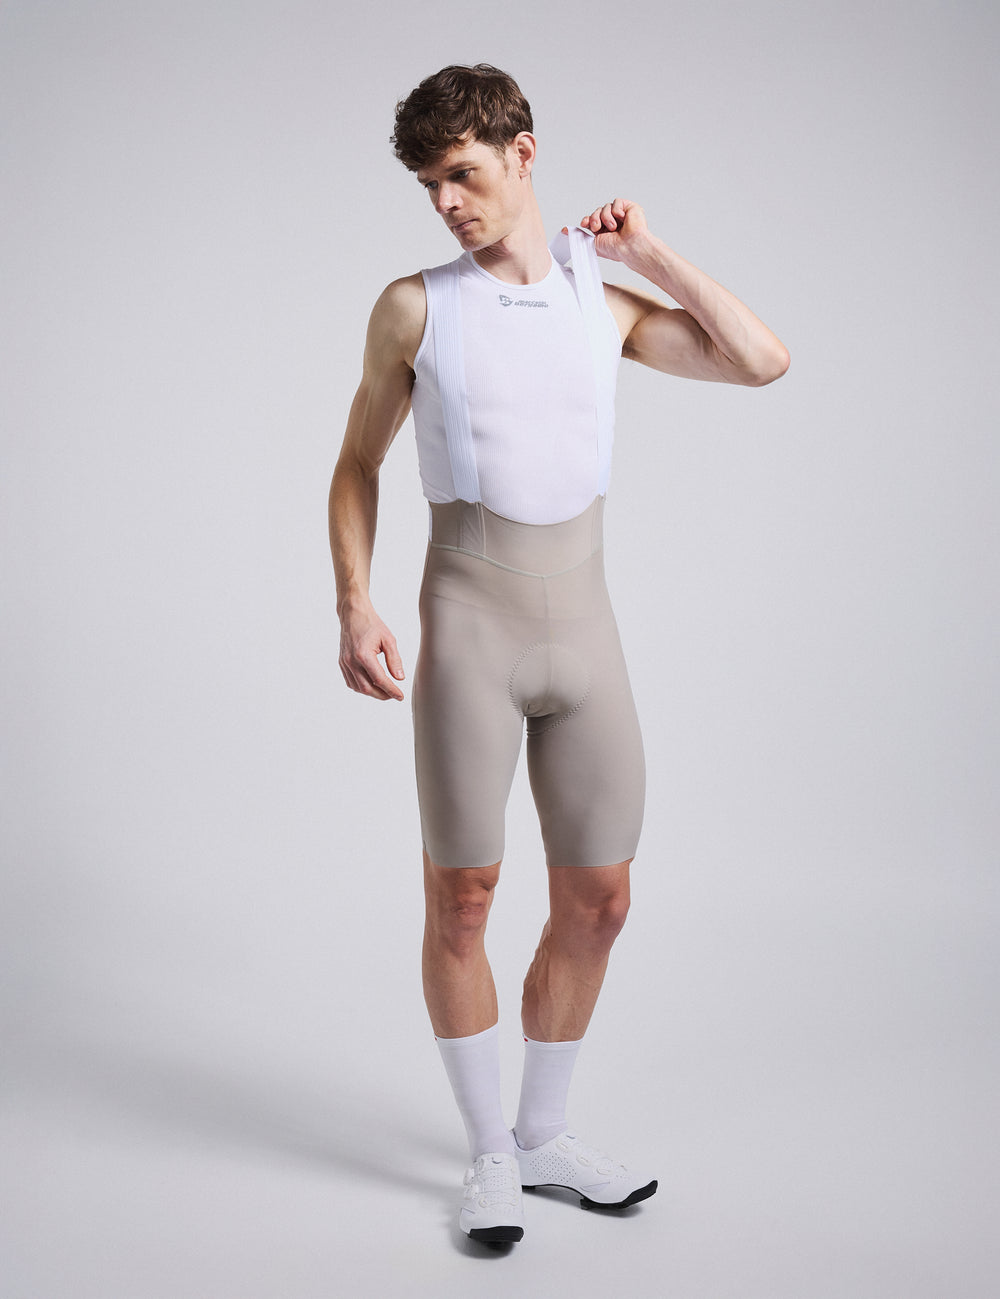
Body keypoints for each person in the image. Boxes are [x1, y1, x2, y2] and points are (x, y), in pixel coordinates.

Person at [329, 63, 789, 1245]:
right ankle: (489, 1152)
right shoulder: (415, 307)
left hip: (586, 634)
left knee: (602, 901)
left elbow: (759, 360)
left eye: (461, 173)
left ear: (522, 153)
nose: (446, 202)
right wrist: (354, 603)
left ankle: (542, 1137)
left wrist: (651, 254)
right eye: (429, 185)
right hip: (469, 634)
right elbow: (356, 464)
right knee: (463, 899)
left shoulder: (602, 301)